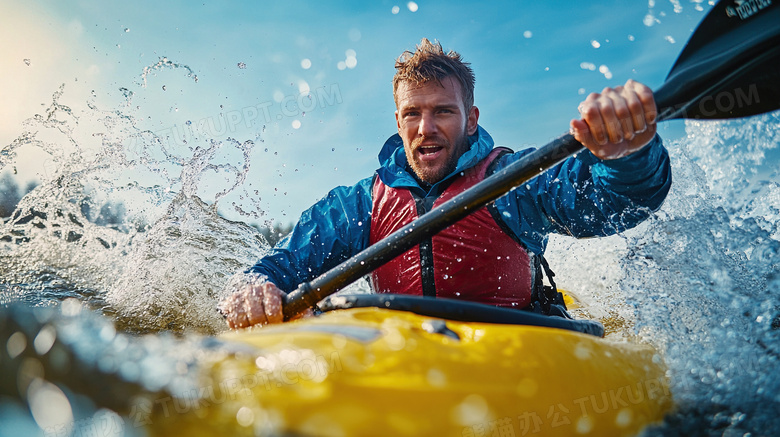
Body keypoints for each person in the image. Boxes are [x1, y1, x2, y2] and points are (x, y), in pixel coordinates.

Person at [219, 38, 671, 329]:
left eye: (443, 112)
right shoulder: (360, 204)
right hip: (406, 354)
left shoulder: (510, 179)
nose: (425, 128)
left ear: (471, 120)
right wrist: (254, 287)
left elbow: (616, 202)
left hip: (519, 345)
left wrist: (627, 154)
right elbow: (279, 266)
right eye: (413, 114)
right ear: (398, 123)